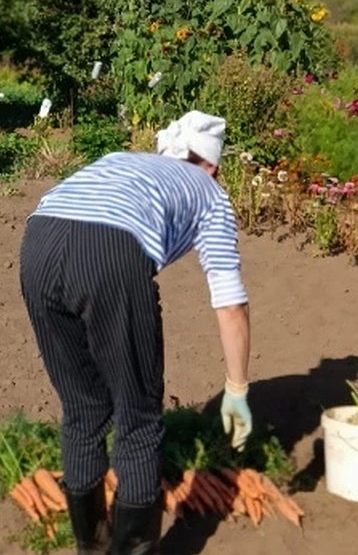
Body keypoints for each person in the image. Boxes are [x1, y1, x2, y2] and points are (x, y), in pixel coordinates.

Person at [18, 110, 253, 555]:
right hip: (109, 250)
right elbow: (230, 302)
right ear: (213, 165)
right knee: (138, 419)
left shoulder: (120, 160)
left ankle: (91, 547)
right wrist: (237, 388)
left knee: (84, 408)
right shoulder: (210, 192)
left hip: (38, 244)